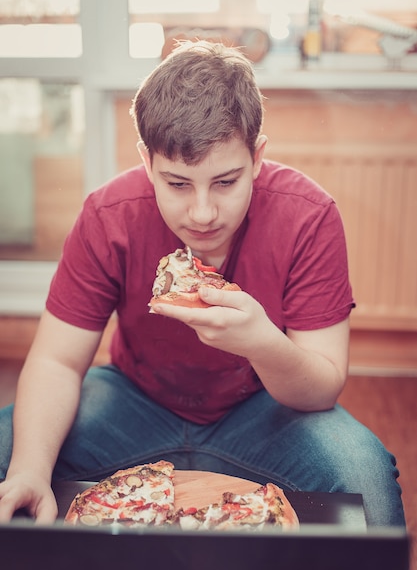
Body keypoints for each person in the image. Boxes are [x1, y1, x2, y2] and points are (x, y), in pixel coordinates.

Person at [0, 40, 405, 527]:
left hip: (263, 410)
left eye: (226, 181)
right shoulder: (108, 215)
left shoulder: (309, 217)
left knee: (367, 475)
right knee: (12, 450)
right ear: (147, 163)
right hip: (135, 400)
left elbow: (321, 388)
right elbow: (58, 360)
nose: (203, 213)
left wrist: (262, 344)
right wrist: (29, 469)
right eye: (176, 184)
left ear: (257, 158)